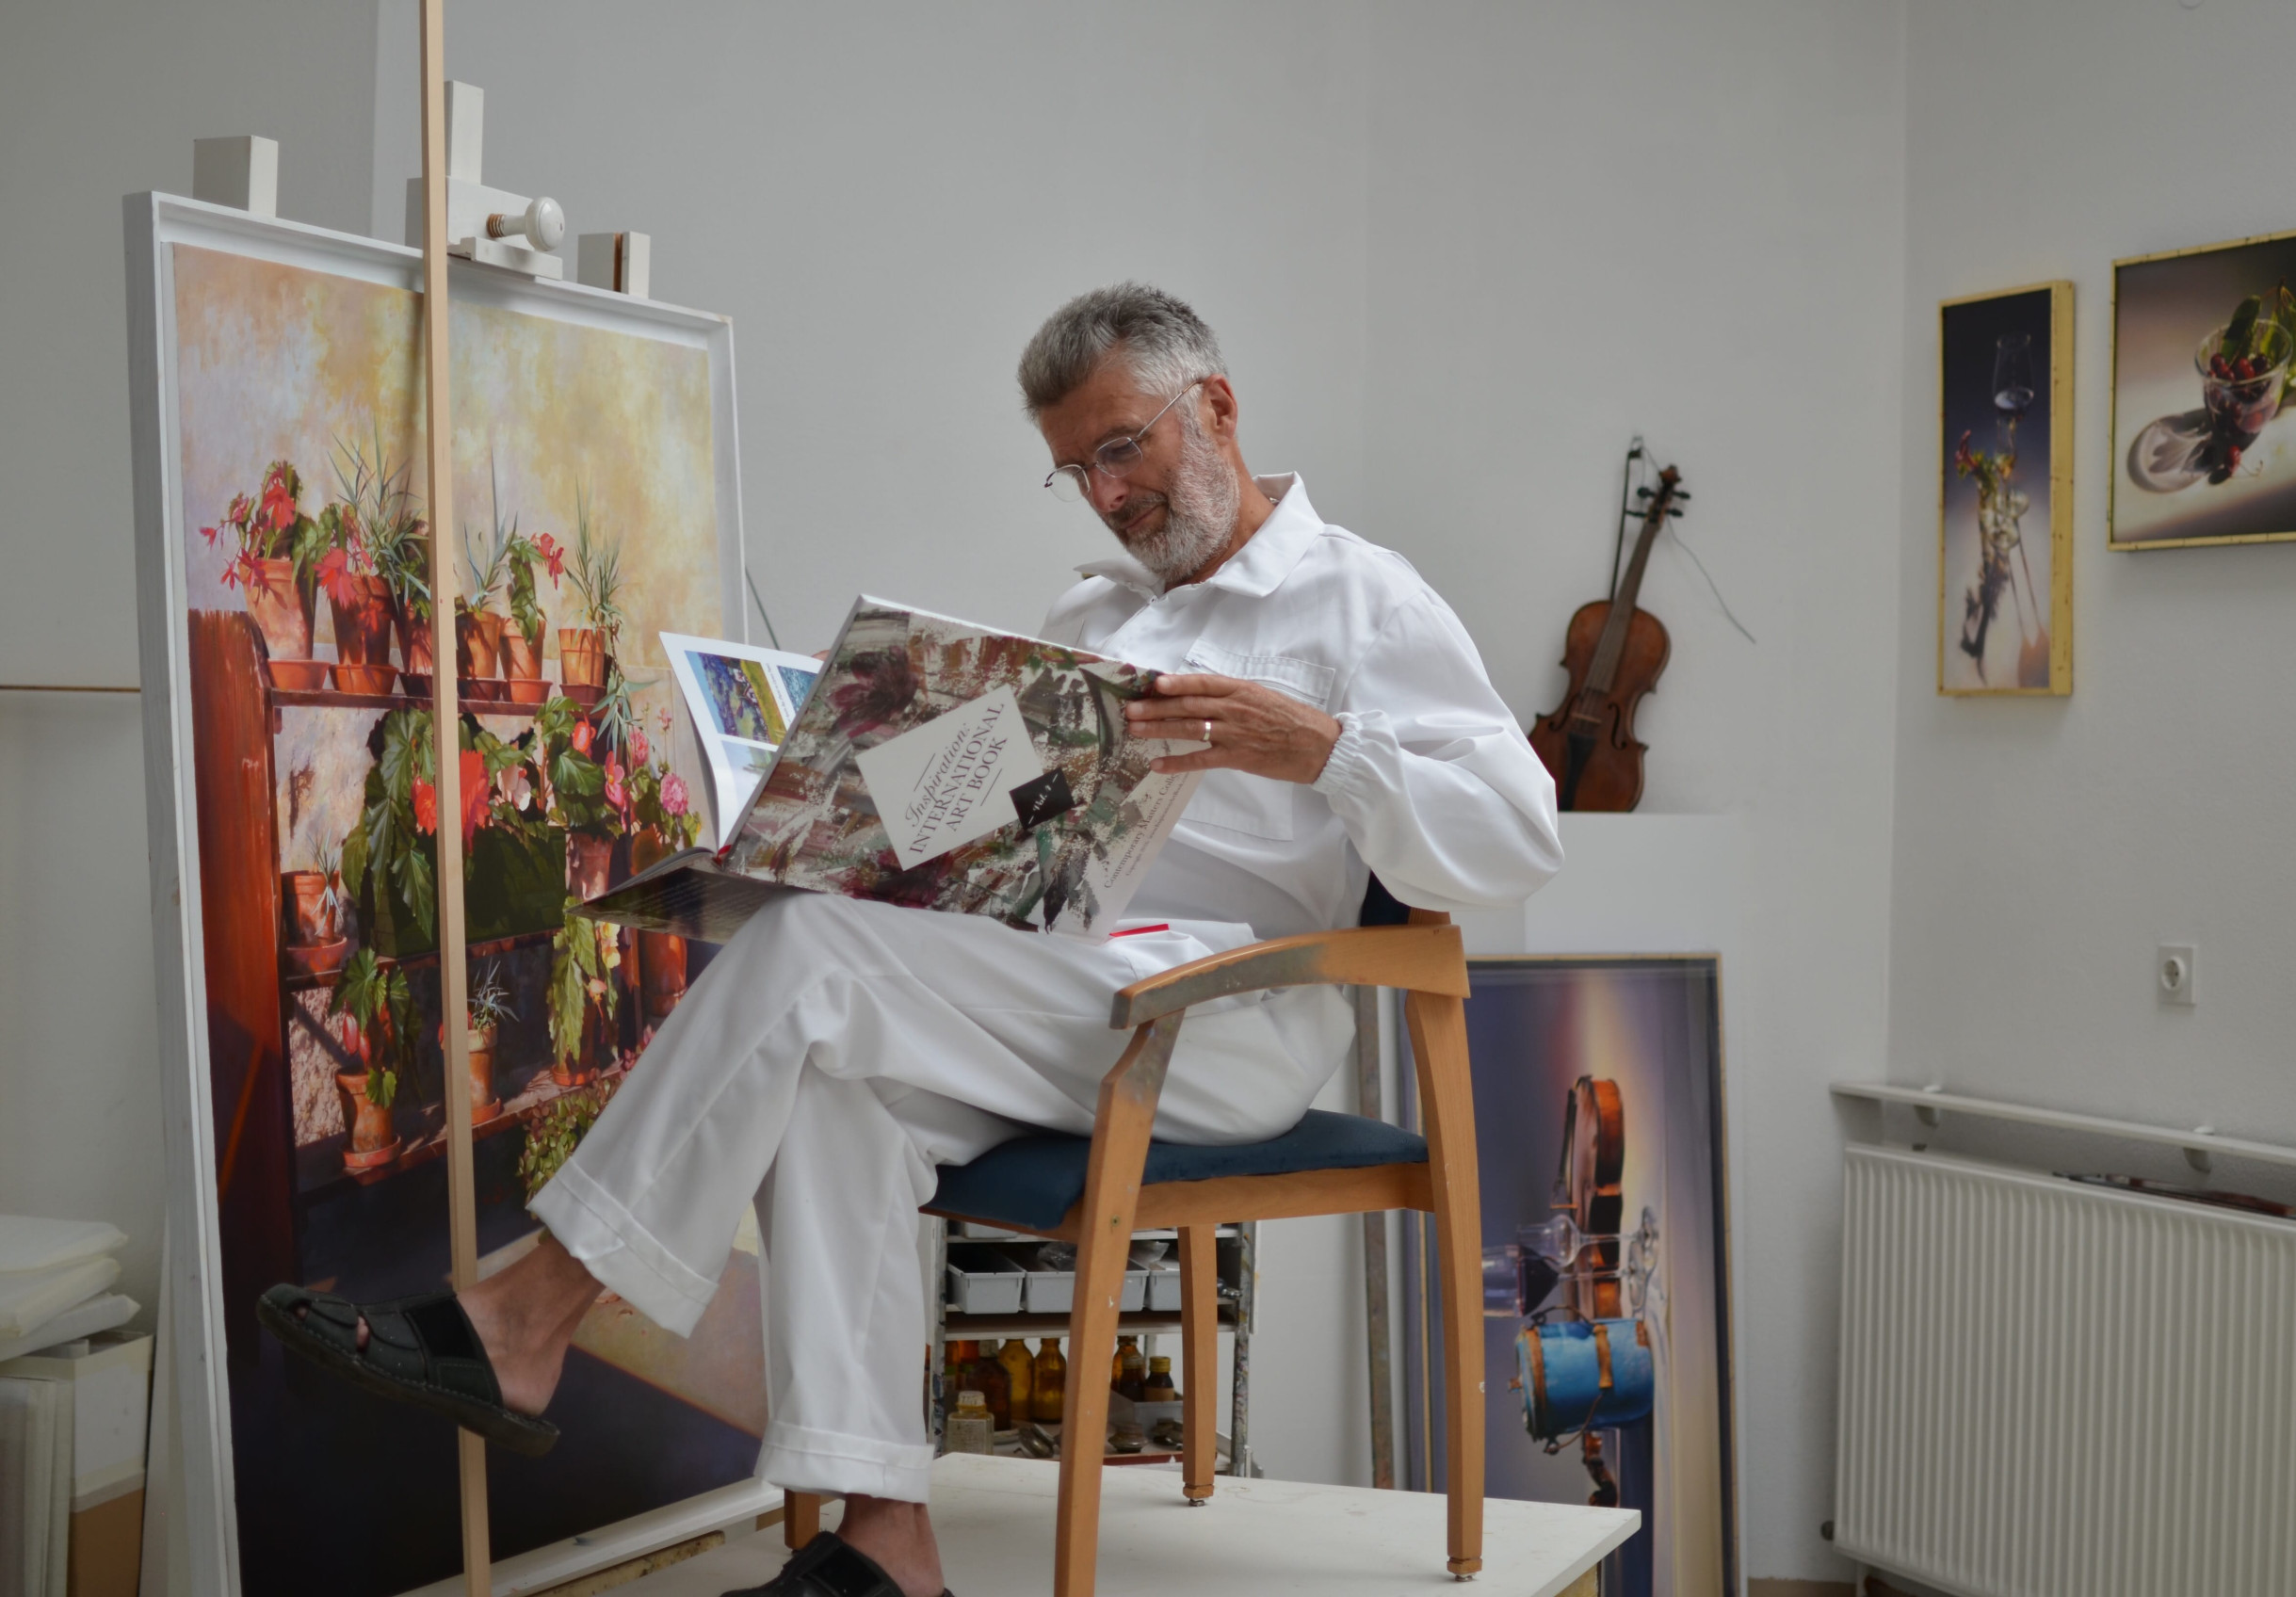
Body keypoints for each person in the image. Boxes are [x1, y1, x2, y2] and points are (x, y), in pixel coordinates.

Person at [261, 283, 1560, 1597]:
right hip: (1052, 984)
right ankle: (889, 1539)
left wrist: (1326, 751)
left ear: (1215, 407)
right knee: (838, 1078)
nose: (1108, 495)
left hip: (1226, 1017)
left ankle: (527, 1314)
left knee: (816, 957)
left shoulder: (1363, 604)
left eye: (1124, 450)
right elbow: (994, 833)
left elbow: (1520, 835)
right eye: (1077, 470)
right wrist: (821, 810)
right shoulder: (1094, 620)